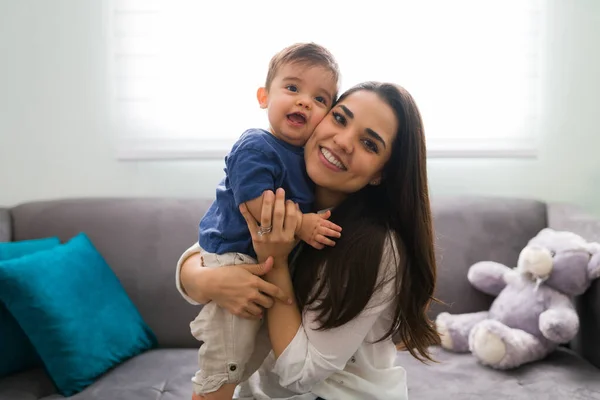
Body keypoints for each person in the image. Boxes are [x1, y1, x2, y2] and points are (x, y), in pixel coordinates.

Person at [177, 82, 441, 399]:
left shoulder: (378, 246)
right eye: (340, 118)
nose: (343, 141)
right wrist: (208, 281)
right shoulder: (279, 188)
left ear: (380, 173)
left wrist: (275, 260)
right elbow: (205, 254)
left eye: (370, 144)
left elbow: (299, 373)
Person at [189, 43, 344, 400]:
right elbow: (257, 205)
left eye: (320, 99)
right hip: (234, 260)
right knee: (225, 363)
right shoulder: (257, 145)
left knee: (246, 359)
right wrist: (304, 225)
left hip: (261, 262)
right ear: (264, 97)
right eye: (292, 88)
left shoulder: (305, 158)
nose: (305, 101)